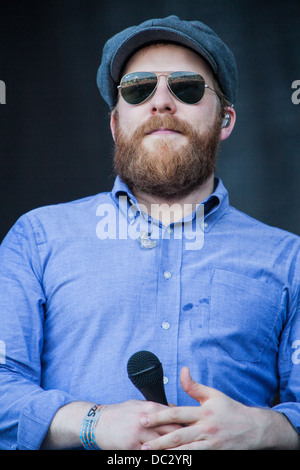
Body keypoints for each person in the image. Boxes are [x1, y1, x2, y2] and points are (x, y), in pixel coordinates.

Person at [0, 15, 299, 451]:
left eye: (188, 88)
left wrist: (266, 428)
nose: (161, 102)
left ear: (226, 120)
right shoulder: (36, 240)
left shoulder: (289, 260)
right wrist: (92, 424)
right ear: (115, 124)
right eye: (138, 89)